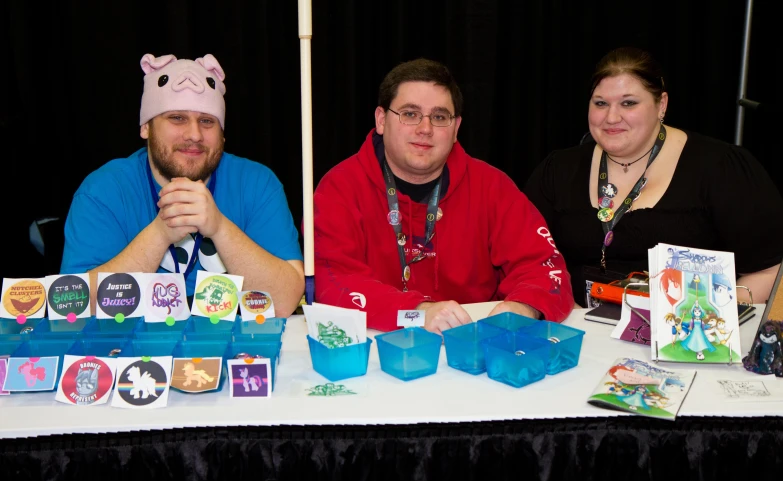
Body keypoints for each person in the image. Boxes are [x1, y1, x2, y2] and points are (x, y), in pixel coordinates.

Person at [313, 58, 574, 333]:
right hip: (376, 352)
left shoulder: (493, 187)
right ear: (381, 119)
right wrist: (418, 313)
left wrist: (522, 308)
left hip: (474, 348)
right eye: (410, 114)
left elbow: (545, 267)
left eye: (439, 117)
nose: (425, 129)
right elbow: (333, 283)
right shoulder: (339, 187)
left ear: (456, 128)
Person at [524, 47, 783, 308]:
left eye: (629, 103)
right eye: (600, 103)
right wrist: (564, 311)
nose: (611, 117)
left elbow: (770, 272)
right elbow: (525, 260)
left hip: (683, 334)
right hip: (576, 326)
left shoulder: (722, 168)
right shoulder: (558, 169)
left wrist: (698, 317)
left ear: (662, 105)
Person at [61, 53, 304, 316]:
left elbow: (284, 302)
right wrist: (160, 233)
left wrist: (220, 228)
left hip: (237, 350)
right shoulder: (103, 190)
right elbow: (77, 308)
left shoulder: (257, 184)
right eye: (177, 118)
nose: (194, 135)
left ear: (222, 135)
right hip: (137, 353)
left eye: (207, 121)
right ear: (146, 127)